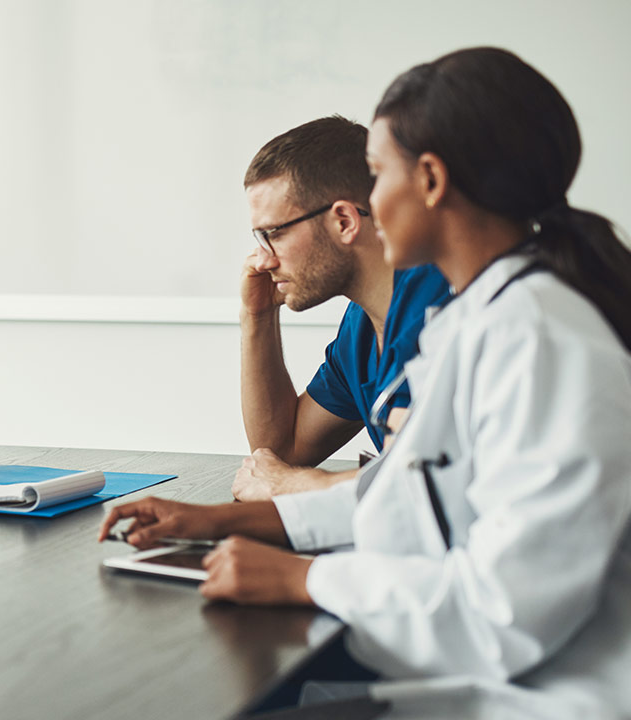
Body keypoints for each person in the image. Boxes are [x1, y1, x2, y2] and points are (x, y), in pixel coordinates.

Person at [101, 47, 631, 717]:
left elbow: (506, 617)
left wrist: (309, 579)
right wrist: (214, 521)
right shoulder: (482, 321)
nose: (370, 204)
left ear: (431, 180)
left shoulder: (539, 340)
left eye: (378, 176)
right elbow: (406, 499)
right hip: (484, 672)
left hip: (552, 694)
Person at [234, 117, 450, 502]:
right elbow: (280, 451)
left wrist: (292, 484)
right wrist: (258, 317)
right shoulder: (362, 327)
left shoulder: (444, 307)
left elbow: (433, 482)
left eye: (275, 233)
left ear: (344, 221)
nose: (262, 260)